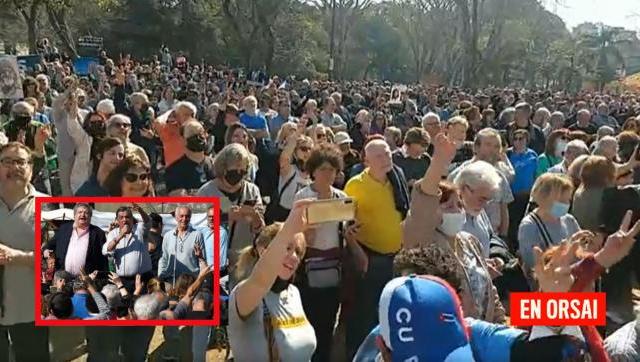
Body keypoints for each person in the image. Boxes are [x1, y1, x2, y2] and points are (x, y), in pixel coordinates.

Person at [403, 133, 505, 324]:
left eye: (459, 205)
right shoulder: (423, 241)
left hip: (480, 334)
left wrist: (501, 326)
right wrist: (438, 162)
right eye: (448, 207)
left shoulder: (469, 241)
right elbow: (423, 202)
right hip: (444, 335)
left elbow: (489, 291)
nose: (457, 211)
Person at [228, 201, 317, 361]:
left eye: (299, 251)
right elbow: (261, 280)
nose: (295, 257)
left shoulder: (293, 293)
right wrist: (289, 228)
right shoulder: (244, 293)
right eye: (288, 248)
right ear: (263, 250)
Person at [344, 139, 407, 359]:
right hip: (370, 259)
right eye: (380, 156)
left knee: (391, 314)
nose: (386, 159)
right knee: (366, 315)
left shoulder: (396, 179)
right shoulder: (355, 185)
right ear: (367, 160)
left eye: (388, 154)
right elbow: (346, 224)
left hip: (397, 258)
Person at [293, 144, 347, 362]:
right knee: (309, 321)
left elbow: (344, 232)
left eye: (332, 169)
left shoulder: (342, 197)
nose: (328, 174)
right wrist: (306, 233)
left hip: (334, 269)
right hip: (307, 268)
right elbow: (293, 233)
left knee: (327, 324)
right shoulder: (303, 197)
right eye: (323, 169)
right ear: (313, 170)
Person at [0, 142, 49, 361]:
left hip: (31, 310)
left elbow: (60, 260)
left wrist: (18, 257)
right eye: (7, 161)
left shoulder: (49, 206)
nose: (15, 167)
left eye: (21, 162)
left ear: (31, 167)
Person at [197, 144, 264, 273]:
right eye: (234, 170)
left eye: (242, 171)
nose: (238, 174)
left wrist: (254, 217)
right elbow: (196, 228)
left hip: (244, 262)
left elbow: (261, 229)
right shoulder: (206, 192)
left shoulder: (252, 191)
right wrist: (226, 218)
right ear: (223, 167)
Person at [517, 173, 581, 285]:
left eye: (568, 200)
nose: (566, 204)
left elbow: (581, 251)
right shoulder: (529, 226)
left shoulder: (569, 220)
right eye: (562, 201)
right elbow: (533, 263)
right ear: (544, 198)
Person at [45, 203, 108, 276]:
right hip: (63, 278)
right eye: (80, 212)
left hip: (86, 279)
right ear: (74, 215)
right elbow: (49, 245)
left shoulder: (98, 233)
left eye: (86, 213)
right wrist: (46, 251)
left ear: (90, 217)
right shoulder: (64, 229)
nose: (83, 215)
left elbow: (103, 260)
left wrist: (101, 277)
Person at [101, 205, 153, 294]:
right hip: (122, 281)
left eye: (127, 217)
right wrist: (121, 235)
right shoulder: (113, 233)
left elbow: (148, 222)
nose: (124, 220)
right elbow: (106, 250)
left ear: (132, 219)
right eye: (121, 217)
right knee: (124, 305)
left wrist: (140, 211)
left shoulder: (139, 229)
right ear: (117, 220)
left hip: (142, 279)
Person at [158, 206, 205, 288]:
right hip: (171, 282)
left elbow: (202, 259)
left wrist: (201, 280)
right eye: (181, 216)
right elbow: (164, 258)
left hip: (191, 282)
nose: (184, 219)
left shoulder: (197, 235)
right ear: (176, 217)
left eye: (187, 216)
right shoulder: (168, 236)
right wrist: (161, 275)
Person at [164, 120, 215, 194]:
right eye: (192, 133)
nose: (198, 137)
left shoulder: (215, 166)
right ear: (182, 140)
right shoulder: (174, 171)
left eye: (201, 133)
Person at [506, 129, 538, 244]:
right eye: (515, 139)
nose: (518, 141)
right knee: (512, 223)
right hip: (512, 196)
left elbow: (536, 174)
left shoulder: (532, 155)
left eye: (521, 138)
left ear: (527, 140)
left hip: (527, 195)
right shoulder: (508, 154)